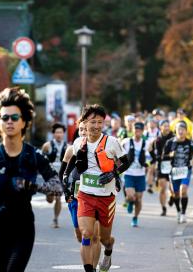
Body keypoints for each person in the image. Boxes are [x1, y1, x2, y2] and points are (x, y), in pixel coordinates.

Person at [0, 87, 62, 272]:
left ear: (24, 122)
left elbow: (57, 187)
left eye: (15, 117)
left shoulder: (33, 155)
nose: (9, 121)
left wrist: (31, 185)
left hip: (23, 226)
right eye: (4, 118)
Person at [64, 104, 130, 272]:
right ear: (84, 122)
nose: (96, 126)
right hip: (85, 195)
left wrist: (114, 173)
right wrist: (67, 180)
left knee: (104, 239)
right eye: (93, 122)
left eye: (100, 122)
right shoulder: (79, 143)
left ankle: (108, 251)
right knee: (86, 234)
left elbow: (126, 162)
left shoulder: (111, 142)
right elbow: (73, 167)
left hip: (106, 198)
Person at [60, 120, 102, 271]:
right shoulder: (71, 150)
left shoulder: (100, 149)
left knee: (96, 236)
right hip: (76, 198)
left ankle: (93, 268)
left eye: (86, 129)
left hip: (96, 197)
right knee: (82, 235)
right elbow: (62, 174)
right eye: (81, 130)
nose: (84, 132)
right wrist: (66, 193)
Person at [163, 121, 193, 223]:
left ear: (186, 131)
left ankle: (184, 213)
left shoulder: (190, 142)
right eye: (179, 129)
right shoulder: (170, 142)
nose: (180, 131)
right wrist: (170, 155)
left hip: (185, 170)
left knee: (183, 190)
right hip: (174, 171)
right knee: (176, 194)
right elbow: (163, 156)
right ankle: (179, 211)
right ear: (175, 131)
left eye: (183, 130)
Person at [121, 122, 150, 227]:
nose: (137, 131)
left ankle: (135, 217)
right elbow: (119, 155)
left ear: (142, 131)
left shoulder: (146, 143)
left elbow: (151, 157)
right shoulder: (126, 142)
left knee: (138, 199)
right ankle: (129, 202)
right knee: (130, 196)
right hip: (129, 174)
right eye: (135, 129)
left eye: (139, 130)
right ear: (132, 130)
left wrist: (148, 164)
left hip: (141, 175)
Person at [41, 123, 67, 228]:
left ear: (63, 133)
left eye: (60, 132)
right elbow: (41, 159)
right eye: (57, 132)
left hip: (61, 174)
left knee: (58, 197)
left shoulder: (68, 146)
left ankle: (55, 219)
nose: (59, 134)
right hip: (50, 174)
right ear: (53, 134)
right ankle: (48, 195)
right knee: (50, 199)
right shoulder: (47, 145)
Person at [151, 119, 175, 216]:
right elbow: (154, 154)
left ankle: (172, 197)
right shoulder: (158, 140)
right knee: (162, 188)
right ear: (160, 127)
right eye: (164, 126)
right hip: (161, 166)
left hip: (172, 165)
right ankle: (163, 208)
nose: (167, 128)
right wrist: (157, 157)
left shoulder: (174, 138)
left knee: (172, 188)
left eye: (168, 126)